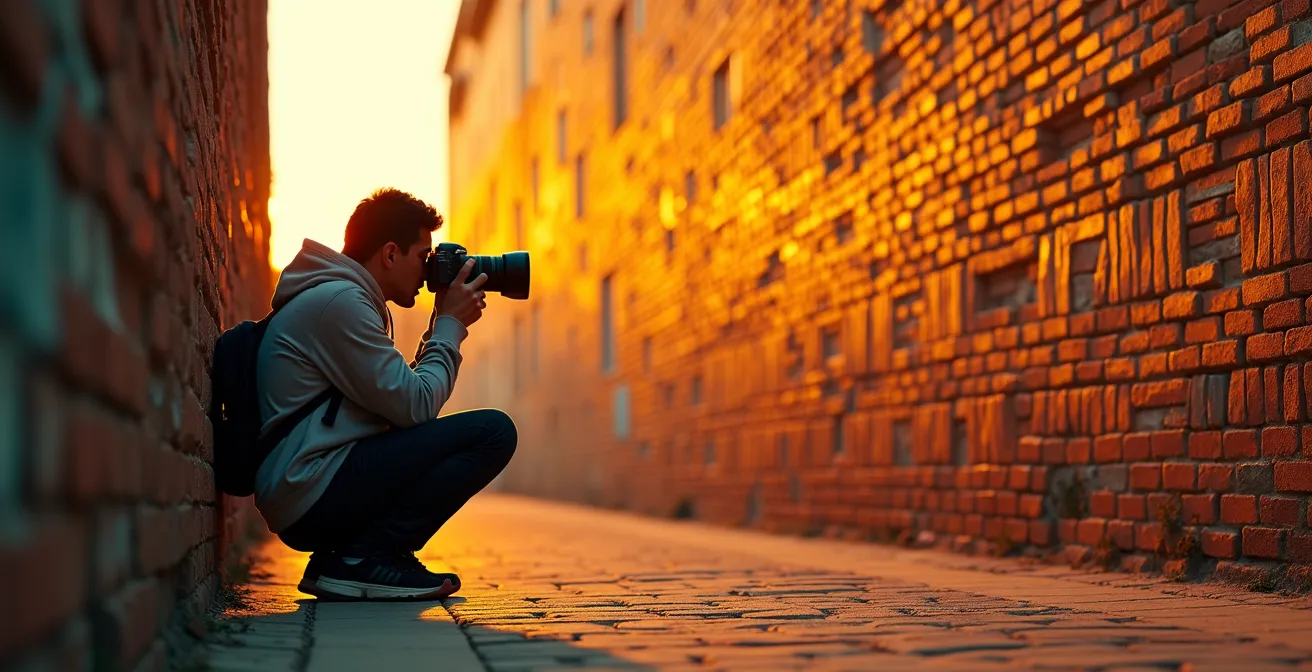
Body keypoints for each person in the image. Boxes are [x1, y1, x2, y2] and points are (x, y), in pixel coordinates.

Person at [253, 187, 517, 600]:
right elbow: (417, 407)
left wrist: (438, 325)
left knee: (480, 430)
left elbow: (398, 404)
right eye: (422, 256)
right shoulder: (341, 303)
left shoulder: (346, 299)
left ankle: (347, 561)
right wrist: (450, 325)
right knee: (494, 432)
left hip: (310, 484)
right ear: (390, 254)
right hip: (309, 488)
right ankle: (367, 558)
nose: (428, 271)